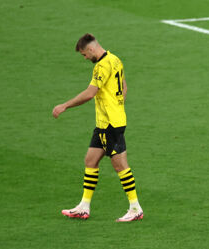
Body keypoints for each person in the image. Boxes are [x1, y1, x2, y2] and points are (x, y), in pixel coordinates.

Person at [52, 33, 144, 222]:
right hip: (106, 122)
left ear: (91, 49)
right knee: (90, 160)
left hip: (110, 124)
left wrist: (64, 105)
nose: (85, 58)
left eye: (85, 54)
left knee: (120, 165)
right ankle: (83, 207)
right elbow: (124, 87)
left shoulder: (101, 66)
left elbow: (89, 93)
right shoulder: (115, 59)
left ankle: (135, 208)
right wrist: (117, 106)